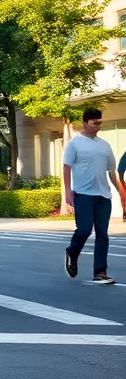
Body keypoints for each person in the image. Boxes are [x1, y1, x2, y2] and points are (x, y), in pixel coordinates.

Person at [62, 107, 123, 285]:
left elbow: (111, 170)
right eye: (95, 123)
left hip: (103, 196)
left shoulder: (104, 145)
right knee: (84, 230)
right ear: (85, 122)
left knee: (102, 234)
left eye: (99, 123)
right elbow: (67, 167)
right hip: (83, 194)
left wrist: (120, 192)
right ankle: (72, 252)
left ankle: (100, 272)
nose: (98, 126)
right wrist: (67, 191)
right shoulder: (75, 143)